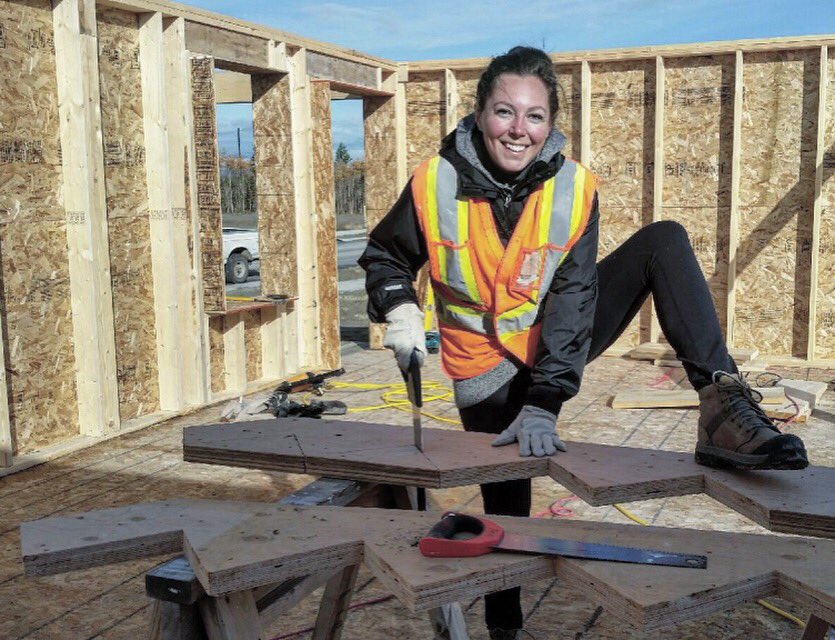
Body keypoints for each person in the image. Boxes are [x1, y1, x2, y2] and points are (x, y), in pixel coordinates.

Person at [359, 46, 808, 640]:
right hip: (485, 371)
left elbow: (573, 298)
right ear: (479, 114)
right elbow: (385, 255)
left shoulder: (572, 187)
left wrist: (548, 395)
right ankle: (505, 630)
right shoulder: (434, 181)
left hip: (551, 346)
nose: (518, 130)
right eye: (504, 112)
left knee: (664, 241)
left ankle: (723, 405)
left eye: (534, 116)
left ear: (550, 123)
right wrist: (399, 308)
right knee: (507, 504)